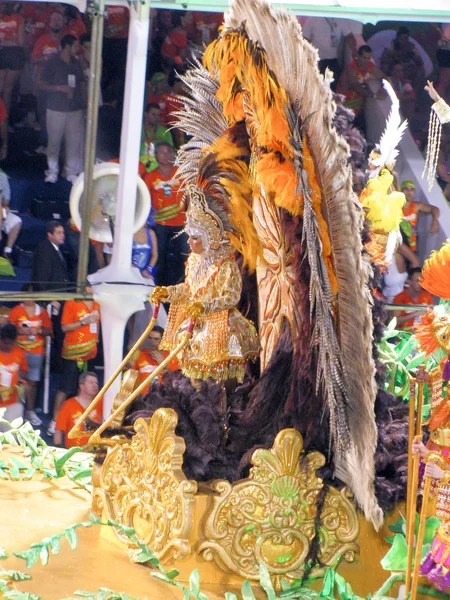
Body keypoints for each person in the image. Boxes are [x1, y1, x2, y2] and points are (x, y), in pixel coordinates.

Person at [150, 187, 259, 384]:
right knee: (193, 381)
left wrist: (205, 306)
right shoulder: (193, 261)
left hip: (222, 328)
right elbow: (189, 289)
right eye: (189, 236)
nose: (189, 242)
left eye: (195, 238)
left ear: (209, 238)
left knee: (222, 383)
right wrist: (167, 292)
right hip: (195, 325)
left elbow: (231, 297)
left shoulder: (225, 264)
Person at [48, 288, 101, 436]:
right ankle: (54, 422)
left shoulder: (97, 303)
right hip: (73, 353)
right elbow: (64, 327)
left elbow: (97, 325)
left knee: (87, 388)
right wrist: (84, 321)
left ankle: (85, 421)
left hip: (90, 354)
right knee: (66, 388)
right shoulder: (72, 302)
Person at [39, 34, 86, 183]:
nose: (78, 49)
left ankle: (71, 171)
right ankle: (52, 171)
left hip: (75, 109)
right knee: (54, 142)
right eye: (75, 46)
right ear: (67, 47)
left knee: (74, 141)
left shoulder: (77, 63)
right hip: (55, 108)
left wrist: (84, 101)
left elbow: (81, 82)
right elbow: (40, 84)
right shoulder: (51, 63)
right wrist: (59, 88)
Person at [143, 142, 187, 287]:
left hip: (181, 223)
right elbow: (144, 200)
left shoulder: (182, 172)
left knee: (184, 257)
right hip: (160, 225)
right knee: (159, 257)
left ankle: (183, 286)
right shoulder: (150, 177)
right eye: (161, 152)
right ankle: (159, 288)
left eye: (168, 151)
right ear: (155, 156)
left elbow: (190, 195)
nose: (165, 155)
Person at [8, 284, 52, 427]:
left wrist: (37, 330)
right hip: (19, 352)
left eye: (32, 295)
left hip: (36, 352)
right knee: (16, 383)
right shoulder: (16, 311)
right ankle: (15, 412)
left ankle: (30, 412)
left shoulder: (42, 312)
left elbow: (49, 331)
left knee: (32, 383)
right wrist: (21, 331)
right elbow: (8, 331)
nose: (29, 298)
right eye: (26, 295)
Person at [32, 220, 69, 376]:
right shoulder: (45, 249)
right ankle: (55, 366)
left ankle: (58, 365)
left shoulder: (55, 249)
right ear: (50, 234)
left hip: (58, 300)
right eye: (59, 233)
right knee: (55, 333)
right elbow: (41, 277)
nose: (63, 236)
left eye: (63, 232)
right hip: (52, 302)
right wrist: (49, 300)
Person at [31, 10, 65, 154]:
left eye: (59, 19)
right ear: (49, 23)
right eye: (53, 19)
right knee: (43, 115)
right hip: (44, 83)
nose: (56, 22)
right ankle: (44, 143)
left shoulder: (67, 40)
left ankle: (58, 146)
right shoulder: (42, 39)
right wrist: (49, 59)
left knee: (60, 116)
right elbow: (33, 59)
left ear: (64, 22)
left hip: (61, 84)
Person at [302, 17, 361, 88]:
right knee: (318, 87)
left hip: (334, 60)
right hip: (317, 60)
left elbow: (349, 36)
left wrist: (354, 50)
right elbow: (305, 39)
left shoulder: (341, 18)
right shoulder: (313, 18)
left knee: (333, 87)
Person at [337, 45, 385, 122]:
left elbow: (383, 77)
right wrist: (374, 95)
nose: (366, 61)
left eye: (368, 58)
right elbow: (356, 86)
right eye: (364, 58)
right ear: (358, 56)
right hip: (343, 105)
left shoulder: (370, 66)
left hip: (357, 108)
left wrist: (382, 88)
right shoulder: (351, 67)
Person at [54, 371, 102, 448]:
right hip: (75, 455)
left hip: (96, 452)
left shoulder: (101, 402)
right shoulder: (69, 405)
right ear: (81, 386)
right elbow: (58, 431)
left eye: (96, 383)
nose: (95, 386)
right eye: (91, 382)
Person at [130, 325, 179, 391]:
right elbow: (131, 378)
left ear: (162, 340)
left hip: (163, 397)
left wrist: (164, 365)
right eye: (150, 338)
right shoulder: (140, 354)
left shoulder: (171, 357)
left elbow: (176, 381)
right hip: (142, 398)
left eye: (156, 339)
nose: (152, 342)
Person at [380, 26, 425, 94]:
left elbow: (420, 63)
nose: (403, 41)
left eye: (405, 38)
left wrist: (417, 56)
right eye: (401, 39)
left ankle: (413, 94)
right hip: (393, 70)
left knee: (421, 71)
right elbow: (383, 61)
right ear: (397, 38)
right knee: (390, 68)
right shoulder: (391, 45)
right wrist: (391, 54)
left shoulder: (410, 46)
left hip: (406, 70)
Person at [400, 179, 440, 252]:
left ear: (414, 193)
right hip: (399, 243)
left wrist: (435, 221)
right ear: (401, 191)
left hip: (412, 244)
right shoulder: (395, 205)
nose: (409, 192)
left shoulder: (416, 206)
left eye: (412, 189)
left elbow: (435, 209)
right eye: (406, 189)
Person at [0, 323, 28, 426]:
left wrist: (18, 375)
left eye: (10, 344)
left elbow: (25, 373)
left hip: (12, 402)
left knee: (11, 434)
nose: (8, 346)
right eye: (5, 343)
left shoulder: (19, 353)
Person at [0, 2, 25, 114]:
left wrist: (3, 42)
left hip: (14, 55)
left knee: (8, 90)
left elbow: (21, 42)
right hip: (3, 53)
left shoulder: (19, 18)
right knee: (4, 89)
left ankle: (4, 120)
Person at [139, 102, 173, 172]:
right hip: (138, 166)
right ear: (146, 114)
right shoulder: (137, 131)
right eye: (153, 114)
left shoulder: (165, 132)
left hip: (158, 168)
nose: (156, 118)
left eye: (158, 115)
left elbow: (170, 152)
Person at [0, 167, 21, 258]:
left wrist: (4, 207)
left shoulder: (2, 177)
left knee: (16, 221)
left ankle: (7, 252)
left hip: (1, 210)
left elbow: (6, 201)